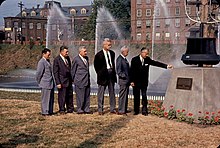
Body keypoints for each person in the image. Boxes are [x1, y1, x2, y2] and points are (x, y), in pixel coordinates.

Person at [130, 47, 173, 116]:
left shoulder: (147, 59)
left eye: (147, 54)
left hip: (144, 82)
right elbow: (131, 71)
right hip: (136, 82)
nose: (147, 55)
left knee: (144, 96)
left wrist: (166, 66)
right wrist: (131, 81)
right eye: (146, 54)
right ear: (142, 53)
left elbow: (155, 63)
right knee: (136, 97)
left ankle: (144, 111)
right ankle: (136, 110)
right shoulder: (134, 60)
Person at [94, 38, 117, 115]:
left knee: (112, 92)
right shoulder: (98, 55)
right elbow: (96, 66)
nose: (110, 46)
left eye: (110, 45)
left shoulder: (112, 53)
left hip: (111, 75)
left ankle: (112, 108)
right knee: (101, 93)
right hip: (102, 76)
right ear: (104, 45)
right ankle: (100, 109)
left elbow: (113, 64)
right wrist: (100, 74)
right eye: (108, 45)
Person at [71, 46, 92, 114]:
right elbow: (73, 71)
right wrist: (73, 80)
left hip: (87, 80)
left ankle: (86, 109)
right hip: (79, 81)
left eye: (86, 51)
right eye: (84, 51)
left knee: (87, 95)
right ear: (80, 52)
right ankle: (80, 109)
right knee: (80, 96)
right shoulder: (76, 59)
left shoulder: (86, 58)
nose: (86, 53)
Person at [53, 46, 74, 114]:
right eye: (66, 52)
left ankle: (70, 109)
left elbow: (69, 68)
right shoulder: (57, 60)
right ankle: (62, 109)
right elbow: (55, 72)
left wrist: (72, 79)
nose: (67, 53)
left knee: (70, 95)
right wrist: (58, 83)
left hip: (69, 81)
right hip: (62, 81)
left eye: (67, 52)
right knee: (62, 96)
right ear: (61, 52)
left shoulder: (67, 58)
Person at [36, 48, 54, 116]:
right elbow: (38, 74)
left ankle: (50, 111)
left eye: (50, 55)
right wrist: (40, 82)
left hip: (50, 83)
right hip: (45, 83)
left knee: (50, 98)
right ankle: (45, 112)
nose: (49, 56)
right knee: (45, 99)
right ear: (43, 54)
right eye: (48, 55)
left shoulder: (47, 61)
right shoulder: (41, 62)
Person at [116, 46, 130, 115]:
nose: (128, 53)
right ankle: (121, 110)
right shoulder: (119, 59)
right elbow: (118, 71)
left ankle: (124, 109)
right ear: (123, 52)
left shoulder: (124, 59)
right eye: (127, 51)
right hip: (123, 81)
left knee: (125, 95)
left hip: (126, 81)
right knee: (122, 96)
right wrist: (125, 76)